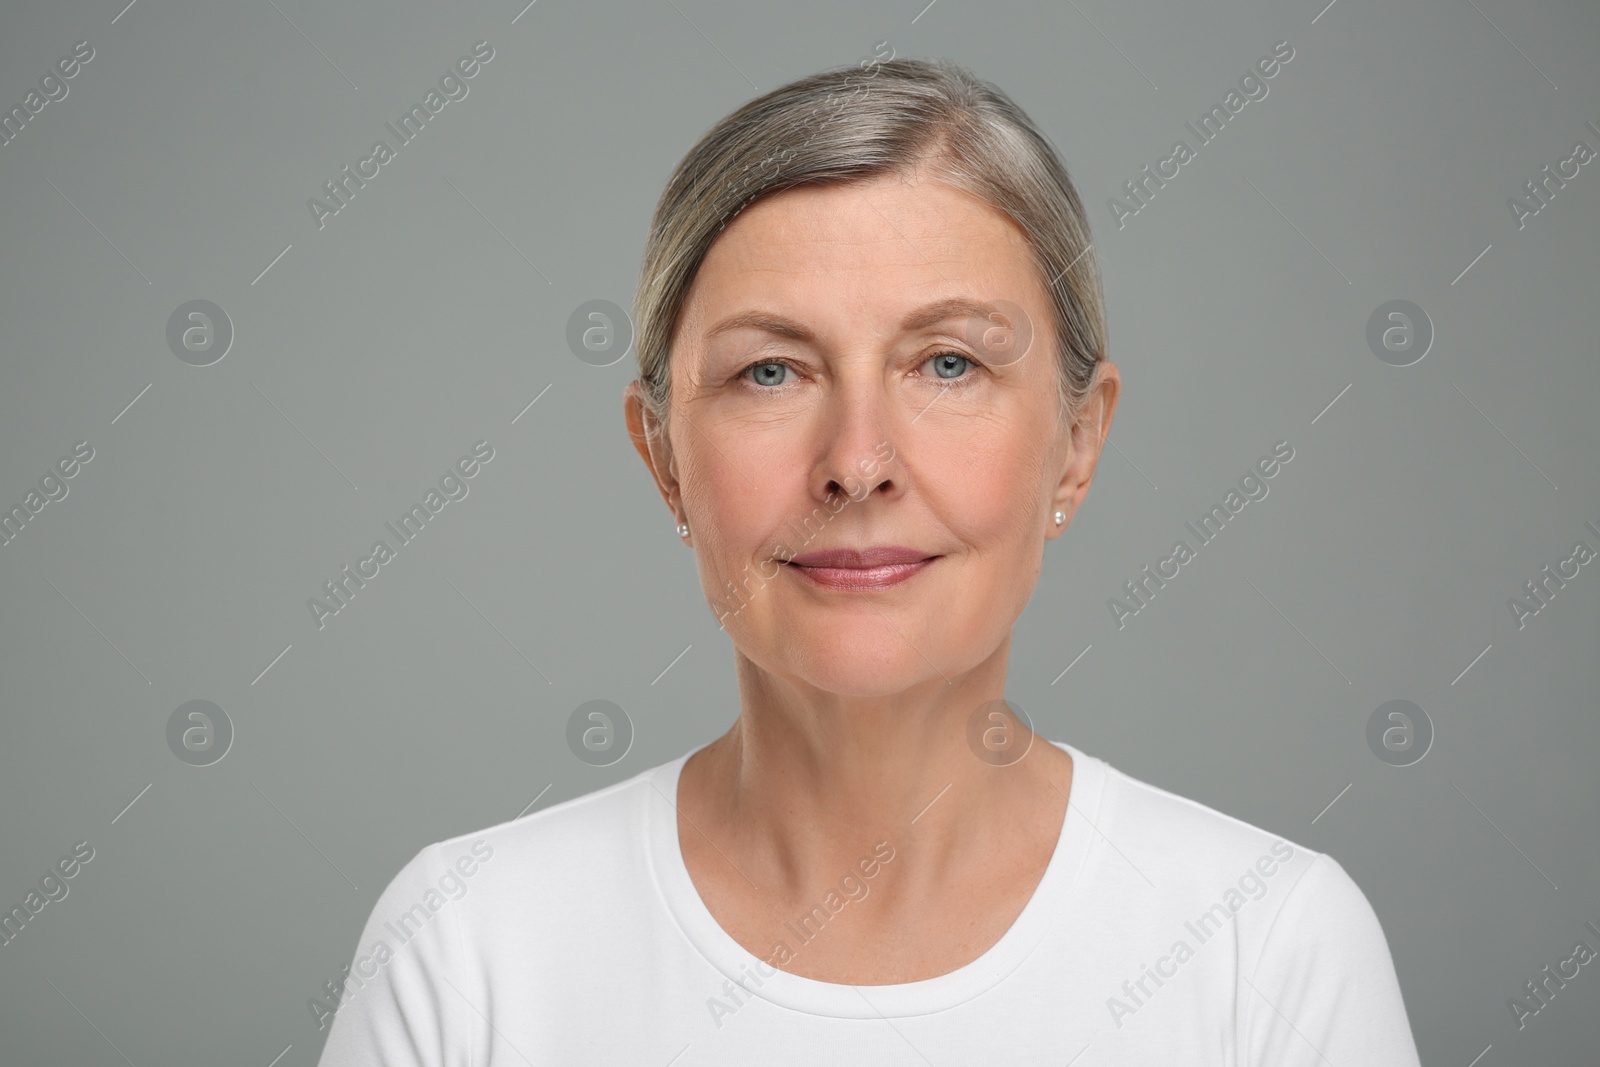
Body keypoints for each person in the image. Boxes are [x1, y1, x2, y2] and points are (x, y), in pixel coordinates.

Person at [316, 56, 1422, 1065]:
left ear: (1075, 446)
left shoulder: (1266, 952)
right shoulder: (466, 951)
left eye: (946, 363)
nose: (856, 463)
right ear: (662, 456)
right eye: (770, 373)